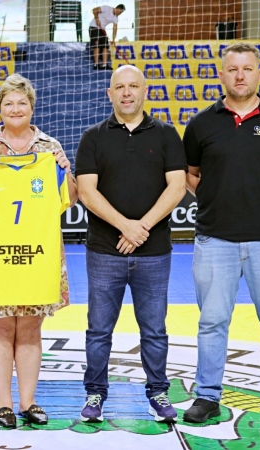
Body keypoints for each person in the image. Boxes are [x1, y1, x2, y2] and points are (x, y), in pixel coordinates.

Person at [182, 43, 260, 429]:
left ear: (258, 74)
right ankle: (207, 396)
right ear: (221, 75)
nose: (239, 75)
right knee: (212, 322)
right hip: (214, 240)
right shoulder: (202, 124)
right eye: (232, 68)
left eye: (247, 68)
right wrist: (218, 198)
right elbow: (189, 174)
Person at [0, 74, 78, 428]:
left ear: (31, 107)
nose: (15, 109)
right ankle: (3, 404)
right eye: (8, 103)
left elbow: (68, 200)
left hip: (38, 256)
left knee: (30, 328)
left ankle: (29, 402)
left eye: (21, 103)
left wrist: (65, 170)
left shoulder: (49, 149)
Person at [75, 65, 187, 423]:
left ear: (144, 91)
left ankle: (158, 392)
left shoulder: (168, 135)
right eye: (119, 87)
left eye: (133, 86)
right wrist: (127, 226)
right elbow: (87, 193)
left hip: (154, 255)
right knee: (99, 329)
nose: (126, 93)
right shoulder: (93, 137)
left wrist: (143, 228)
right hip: (105, 252)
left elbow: (177, 187)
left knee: (154, 329)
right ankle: (95, 394)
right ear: (110, 94)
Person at [89, 4, 125, 70]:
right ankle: (96, 65)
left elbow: (115, 28)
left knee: (106, 46)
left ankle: (104, 65)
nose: (120, 14)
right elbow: (94, 10)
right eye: (120, 12)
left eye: (121, 13)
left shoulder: (115, 18)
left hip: (102, 29)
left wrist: (113, 39)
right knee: (97, 46)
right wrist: (97, 19)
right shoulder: (107, 8)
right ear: (117, 9)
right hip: (94, 27)